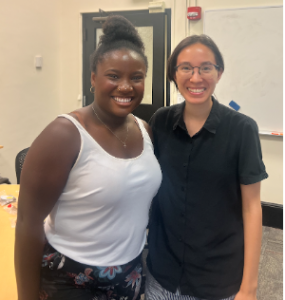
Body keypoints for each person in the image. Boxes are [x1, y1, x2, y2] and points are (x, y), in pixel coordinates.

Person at [15, 15, 162, 300]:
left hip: (130, 273)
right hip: (71, 279)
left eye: (136, 77)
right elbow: (27, 222)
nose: (125, 86)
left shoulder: (145, 130)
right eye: (114, 76)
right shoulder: (64, 134)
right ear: (93, 78)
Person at [145, 35, 268, 300]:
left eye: (206, 68)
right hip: (161, 275)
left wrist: (249, 288)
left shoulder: (242, 129)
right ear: (174, 74)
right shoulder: (161, 122)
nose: (196, 77)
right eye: (186, 67)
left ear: (219, 72)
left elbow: (251, 207)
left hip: (217, 279)